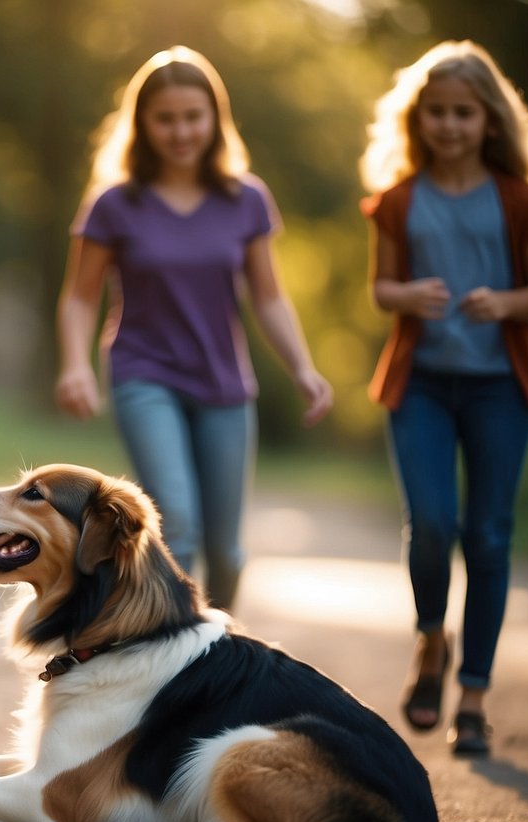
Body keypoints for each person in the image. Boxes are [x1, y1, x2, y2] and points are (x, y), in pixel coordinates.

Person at [54, 46, 333, 610]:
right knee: (175, 525)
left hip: (223, 382)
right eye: (165, 118)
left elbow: (269, 297)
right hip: (143, 373)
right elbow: (80, 298)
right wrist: (76, 364)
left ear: (214, 119)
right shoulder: (114, 204)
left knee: (226, 551)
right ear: (142, 123)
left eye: (192, 117)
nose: (180, 131)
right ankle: (171, 658)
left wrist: (304, 368)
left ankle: (219, 656)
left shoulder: (245, 199)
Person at [359, 40, 528, 756]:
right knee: (434, 524)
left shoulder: (519, 201)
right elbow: (381, 288)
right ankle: (429, 641)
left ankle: (473, 695)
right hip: (422, 389)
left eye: (463, 113)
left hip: (501, 387)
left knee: (491, 536)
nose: (448, 125)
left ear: (490, 119)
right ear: (417, 120)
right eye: (436, 112)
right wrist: (406, 294)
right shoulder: (399, 201)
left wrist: (504, 303)